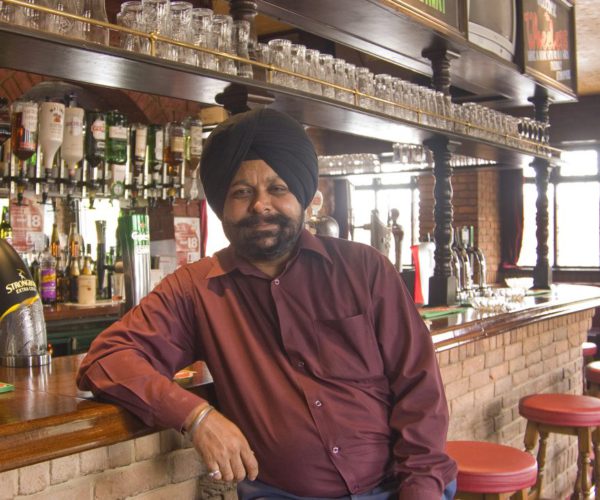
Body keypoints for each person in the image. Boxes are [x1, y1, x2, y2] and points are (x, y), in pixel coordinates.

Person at [77, 108, 457, 500]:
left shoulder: (364, 269)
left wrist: (420, 491)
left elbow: (420, 393)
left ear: (303, 196)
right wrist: (196, 416)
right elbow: (106, 358)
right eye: (242, 192)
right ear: (221, 205)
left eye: (278, 188)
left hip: (394, 490)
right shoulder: (195, 290)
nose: (261, 205)